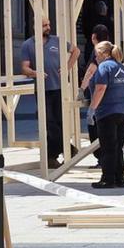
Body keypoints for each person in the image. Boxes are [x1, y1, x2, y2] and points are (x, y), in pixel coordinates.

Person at [20, 17, 80, 168]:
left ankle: (51, 157)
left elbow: (76, 51)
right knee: (49, 123)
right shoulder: (28, 45)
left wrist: (67, 67)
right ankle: (68, 149)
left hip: (59, 88)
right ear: (36, 27)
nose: (48, 27)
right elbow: (25, 68)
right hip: (43, 90)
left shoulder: (57, 41)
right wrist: (35, 73)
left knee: (59, 122)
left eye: (48, 24)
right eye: (44, 25)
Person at [89, 41, 124, 189]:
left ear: (104, 54)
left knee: (108, 147)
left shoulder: (104, 67)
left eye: (97, 55)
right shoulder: (123, 68)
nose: (96, 58)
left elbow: (100, 88)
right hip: (123, 111)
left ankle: (107, 179)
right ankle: (119, 179)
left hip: (107, 112)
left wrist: (92, 109)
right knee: (118, 147)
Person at [80, 24, 112, 164]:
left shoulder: (97, 52)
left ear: (93, 37)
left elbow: (90, 72)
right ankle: (107, 160)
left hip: (98, 98)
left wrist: (81, 90)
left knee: (95, 130)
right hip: (112, 98)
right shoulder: (112, 50)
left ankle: (102, 159)